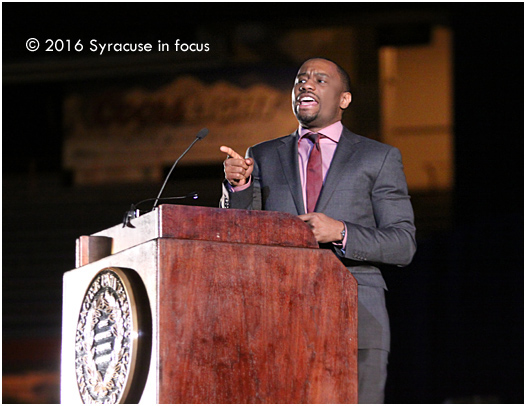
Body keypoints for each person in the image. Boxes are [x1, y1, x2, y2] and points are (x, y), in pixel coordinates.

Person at [219, 57, 416, 403]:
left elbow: (402, 244)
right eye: (300, 80)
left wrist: (341, 232)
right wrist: (238, 187)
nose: (306, 85)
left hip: (357, 314)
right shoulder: (262, 156)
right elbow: (240, 237)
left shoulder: (378, 157)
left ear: (344, 99)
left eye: (320, 80)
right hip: (278, 315)